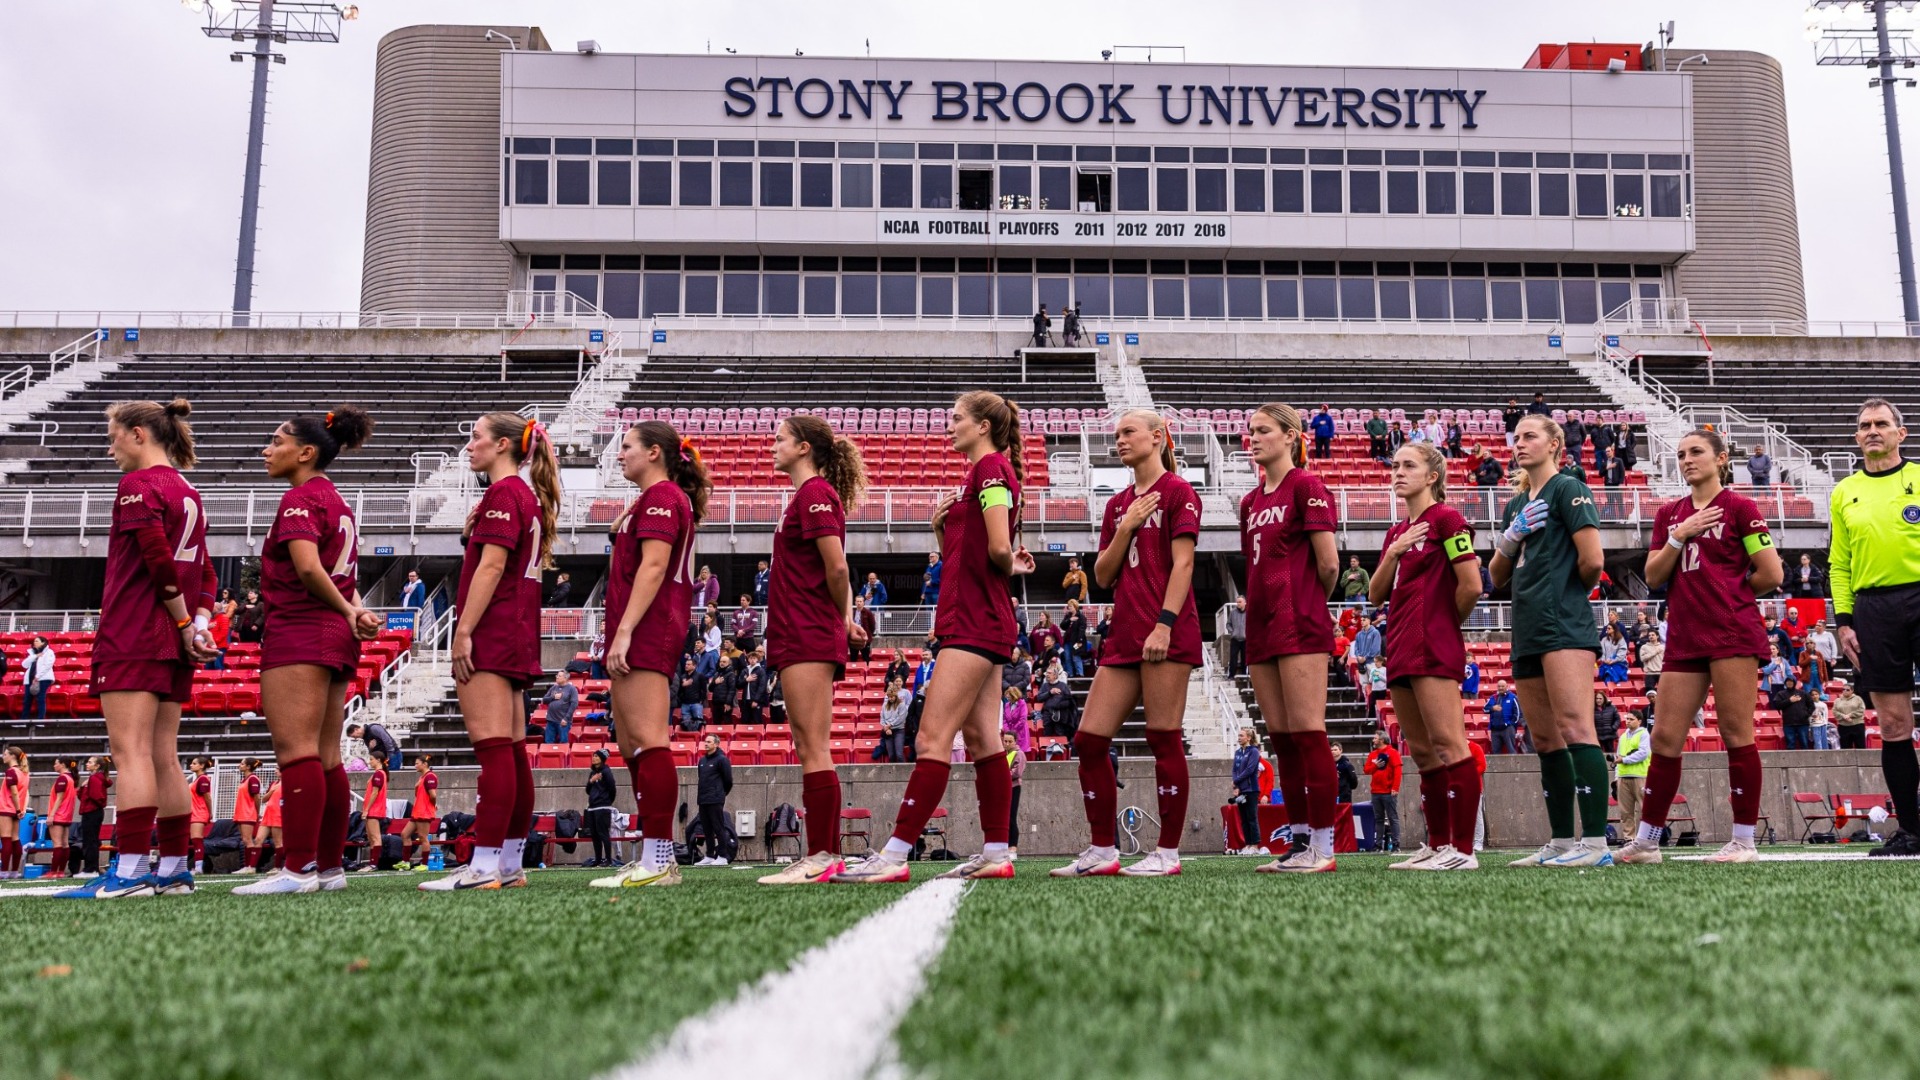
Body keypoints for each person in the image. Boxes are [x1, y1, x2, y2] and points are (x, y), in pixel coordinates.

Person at [835, 391, 1034, 883]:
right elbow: (977, 554)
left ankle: (896, 854)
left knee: (930, 738)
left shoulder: (989, 471)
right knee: (984, 738)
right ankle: (994, 853)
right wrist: (940, 531)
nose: (949, 426)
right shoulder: (984, 473)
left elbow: (997, 548)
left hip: (974, 622)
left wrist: (1011, 560)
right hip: (977, 619)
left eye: (956, 419)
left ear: (984, 426)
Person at [56, 399, 217, 901]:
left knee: (130, 755)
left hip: (135, 633)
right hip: (172, 639)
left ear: (140, 434)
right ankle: (172, 869)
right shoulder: (188, 490)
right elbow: (206, 574)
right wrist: (198, 624)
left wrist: (187, 622)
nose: (110, 450)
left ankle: (126, 872)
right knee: (163, 756)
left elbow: (158, 564)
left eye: (114, 438)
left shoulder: (138, 486)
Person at [1615, 428, 1783, 866]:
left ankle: (1743, 842)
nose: (1687, 460)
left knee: (1735, 733)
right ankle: (1648, 842)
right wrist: (1679, 535)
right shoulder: (1669, 513)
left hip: (1731, 632)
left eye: (1696, 453)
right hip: (1685, 636)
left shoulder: (1741, 508)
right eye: (1682, 454)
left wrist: (1730, 591)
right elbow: (1653, 577)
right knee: (1665, 737)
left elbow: (1771, 573)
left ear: (1721, 459)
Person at [234, 405, 380, 897]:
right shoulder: (335, 499)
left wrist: (343, 609)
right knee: (327, 755)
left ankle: (297, 869)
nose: (266, 449)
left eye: (276, 441)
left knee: (295, 753)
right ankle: (328, 868)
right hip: (333, 633)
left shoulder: (299, 499)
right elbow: (339, 574)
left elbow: (310, 570)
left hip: (301, 628)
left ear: (306, 452)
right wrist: (354, 611)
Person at [1050, 411, 1203, 879]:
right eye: (1115, 434)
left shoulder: (1178, 492)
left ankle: (1168, 854)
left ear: (1157, 438)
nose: (1118, 440)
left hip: (1164, 632)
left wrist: (1165, 625)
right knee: (1089, 740)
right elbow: (1100, 576)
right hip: (1124, 636)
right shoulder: (1118, 504)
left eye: (1128, 432)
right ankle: (1102, 850)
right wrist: (1125, 527)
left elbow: (1183, 565)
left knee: (1162, 737)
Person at [421, 412, 559, 893]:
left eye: (477, 437)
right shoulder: (524, 494)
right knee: (513, 752)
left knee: (495, 751)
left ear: (503, 445)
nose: (469, 446)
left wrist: (463, 632)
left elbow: (491, 567)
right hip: (516, 632)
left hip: (495, 632)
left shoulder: (504, 493)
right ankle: (508, 863)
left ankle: (483, 866)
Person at [1490, 414, 1612, 868]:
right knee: (1544, 738)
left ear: (1555, 443)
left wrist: (1561, 591)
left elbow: (1593, 561)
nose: (1519, 443)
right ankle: (1561, 841)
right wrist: (1511, 534)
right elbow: (1497, 576)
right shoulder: (1515, 503)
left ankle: (1596, 844)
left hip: (1563, 623)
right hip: (1527, 626)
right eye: (1516, 437)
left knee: (1576, 727)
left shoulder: (1568, 488)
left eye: (1530, 436)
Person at [591, 421, 708, 889]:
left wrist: (623, 632)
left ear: (655, 453)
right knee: (632, 744)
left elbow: (656, 565)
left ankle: (660, 858)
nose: (619, 454)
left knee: (649, 740)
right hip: (643, 626)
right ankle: (653, 855)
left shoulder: (662, 498)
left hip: (647, 628)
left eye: (627, 447)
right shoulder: (654, 499)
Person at [754, 414, 866, 883]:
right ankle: (823, 855)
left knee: (815, 748)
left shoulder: (816, 493)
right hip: (796, 631)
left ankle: (823, 855)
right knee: (808, 745)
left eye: (781, 439)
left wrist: (844, 617)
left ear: (804, 448)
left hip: (808, 632)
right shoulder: (804, 496)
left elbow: (837, 567)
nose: (772, 445)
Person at [1235, 402, 1342, 873]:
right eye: (1250, 431)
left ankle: (1324, 845)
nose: (1253, 438)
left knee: (1307, 731)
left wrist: (1307, 603)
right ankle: (1299, 842)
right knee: (1280, 739)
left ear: (1290, 436)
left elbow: (1329, 564)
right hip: (1260, 626)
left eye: (1263, 431)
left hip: (1299, 621)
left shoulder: (1307, 486)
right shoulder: (1250, 501)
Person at [1369, 442, 1484, 870]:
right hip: (1398, 645)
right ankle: (1437, 845)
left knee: (1450, 745)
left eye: (1408, 465)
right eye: (1395, 465)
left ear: (1432, 476)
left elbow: (1471, 585)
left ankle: (1464, 851)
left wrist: (1441, 622)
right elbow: (1376, 592)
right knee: (1421, 751)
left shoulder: (1448, 519)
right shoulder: (1396, 532)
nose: (1397, 472)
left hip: (1431, 643)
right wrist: (1394, 553)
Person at [692, 733, 734, 867]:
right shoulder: (702, 761)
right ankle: (709, 855)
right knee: (706, 828)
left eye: (709, 742)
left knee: (718, 827)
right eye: (705, 741)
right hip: (703, 799)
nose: (706, 743)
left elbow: (728, 781)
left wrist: (721, 794)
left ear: (716, 744)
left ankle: (722, 855)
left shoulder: (722, 760)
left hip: (715, 799)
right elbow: (701, 779)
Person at [1363, 732, 1402, 854]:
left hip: (1388, 792)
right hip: (1376, 791)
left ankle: (1396, 845)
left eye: (1375, 738)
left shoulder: (1393, 753)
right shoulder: (1373, 754)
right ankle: (1378, 845)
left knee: (1392, 818)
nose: (1373, 740)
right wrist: (1375, 766)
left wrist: (1395, 787)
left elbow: (1398, 770)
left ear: (1382, 739)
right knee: (1378, 819)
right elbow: (1366, 770)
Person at [398, 754, 437, 870]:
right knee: (405, 834)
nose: (415, 765)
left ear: (425, 764)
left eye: (417, 763)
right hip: (417, 811)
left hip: (424, 812)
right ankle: (405, 862)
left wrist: (433, 805)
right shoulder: (422, 777)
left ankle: (424, 864)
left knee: (423, 837)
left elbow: (433, 795)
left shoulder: (430, 777)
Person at [75, 755, 112, 877]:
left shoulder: (95, 778)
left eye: (90, 762)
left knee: (90, 842)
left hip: (92, 812)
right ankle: (92, 868)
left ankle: (90, 869)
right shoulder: (94, 778)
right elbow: (83, 796)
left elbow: (96, 797)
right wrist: (82, 788)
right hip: (92, 811)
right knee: (91, 841)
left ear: (97, 766)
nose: (87, 764)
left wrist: (87, 789)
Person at [1614, 711, 1650, 836]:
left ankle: (1646, 838)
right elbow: (1617, 757)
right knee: (1625, 812)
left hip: (1640, 776)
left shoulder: (1644, 734)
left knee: (1645, 809)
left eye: (1631, 719)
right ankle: (1629, 838)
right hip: (1623, 777)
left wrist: (1624, 760)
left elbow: (1643, 753)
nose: (1627, 721)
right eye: (1627, 719)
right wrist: (1616, 777)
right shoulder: (1623, 736)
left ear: (1639, 721)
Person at [43, 757, 78, 879]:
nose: (54, 766)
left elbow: (59, 798)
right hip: (67, 815)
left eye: (56, 763)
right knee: (64, 844)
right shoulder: (70, 778)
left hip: (59, 815)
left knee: (57, 844)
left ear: (62, 765)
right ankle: (61, 871)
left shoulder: (62, 778)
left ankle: (53, 872)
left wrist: (51, 815)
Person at [1231, 728, 1264, 854]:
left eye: (1241, 736)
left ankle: (1255, 845)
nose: (1239, 738)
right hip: (1241, 789)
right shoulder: (1238, 752)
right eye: (1238, 736)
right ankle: (1248, 844)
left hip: (1251, 789)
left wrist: (1236, 780)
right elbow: (1235, 769)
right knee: (1243, 818)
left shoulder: (1254, 751)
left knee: (1251, 817)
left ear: (1248, 738)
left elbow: (1250, 770)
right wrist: (1236, 786)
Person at [583, 749, 617, 868]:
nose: (594, 758)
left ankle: (608, 860)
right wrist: (591, 781)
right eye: (593, 756)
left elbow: (612, 789)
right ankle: (598, 859)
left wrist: (607, 802)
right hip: (592, 808)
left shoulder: (606, 772)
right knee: (595, 835)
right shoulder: (592, 773)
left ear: (602, 758)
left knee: (603, 834)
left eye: (596, 756)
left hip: (603, 807)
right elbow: (588, 791)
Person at [358, 751, 389, 872]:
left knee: (375, 837)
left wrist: (366, 810)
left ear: (378, 760)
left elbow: (374, 793)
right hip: (373, 809)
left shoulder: (379, 774)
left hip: (374, 810)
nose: (370, 762)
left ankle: (374, 864)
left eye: (371, 759)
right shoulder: (379, 773)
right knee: (371, 837)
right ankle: (372, 863)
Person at [185, 755, 213, 874]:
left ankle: (198, 868)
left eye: (194, 763)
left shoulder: (203, 779)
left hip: (199, 813)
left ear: (202, 766)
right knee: (192, 840)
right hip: (193, 813)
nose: (191, 765)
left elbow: (207, 797)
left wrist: (210, 812)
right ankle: (195, 866)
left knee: (197, 840)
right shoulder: (197, 779)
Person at [0, 746, 23, 879]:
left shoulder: (11, 771)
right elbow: (25, 792)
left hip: (7, 807)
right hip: (15, 808)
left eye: (5, 754)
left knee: (6, 839)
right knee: (15, 839)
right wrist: (21, 809)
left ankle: (3, 871)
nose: (3, 756)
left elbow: (14, 792)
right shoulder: (23, 772)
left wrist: (18, 808)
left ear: (13, 756)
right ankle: (14, 871)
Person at [541, 670, 579, 744]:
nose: (557, 677)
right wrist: (553, 697)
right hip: (551, 720)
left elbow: (574, 704)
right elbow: (544, 700)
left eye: (559, 676)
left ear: (565, 678)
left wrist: (566, 718)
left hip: (562, 721)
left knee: (563, 742)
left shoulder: (572, 689)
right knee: (548, 742)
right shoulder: (553, 687)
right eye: (557, 675)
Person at [1485, 679, 1522, 754]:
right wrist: (1492, 708)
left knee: (1511, 750)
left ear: (1507, 686)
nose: (1501, 688)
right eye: (1499, 686)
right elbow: (1485, 709)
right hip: (1495, 729)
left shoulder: (1513, 697)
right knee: (1495, 752)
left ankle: (1514, 766)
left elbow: (1518, 713)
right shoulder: (1493, 697)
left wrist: (1510, 724)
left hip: (1508, 729)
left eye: (1502, 686)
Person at [21, 635, 53, 720]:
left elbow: (48, 665)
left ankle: (40, 720)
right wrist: (35, 656)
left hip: (43, 679)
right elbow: (24, 665)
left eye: (37, 641)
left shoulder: (49, 652)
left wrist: (38, 676)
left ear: (43, 643)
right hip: (30, 679)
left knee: (40, 699)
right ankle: (23, 721)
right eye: (34, 641)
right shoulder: (32, 653)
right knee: (27, 700)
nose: (35, 643)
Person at [879, 680, 910, 763]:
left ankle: (904, 772)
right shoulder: (885, 705)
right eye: (889, 697)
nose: (890, 698)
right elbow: (882, 718)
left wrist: (890, 725)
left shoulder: (901, 705)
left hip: (899, 730)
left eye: (892, 696)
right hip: (887, 731)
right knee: (891, 755)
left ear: (896, 696)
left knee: (899, 754)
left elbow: (901, 718)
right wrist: (886, 728)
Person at [1832, 680, 1868, 749]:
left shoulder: (1858, 699)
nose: (1845, 691)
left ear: (1852, 691)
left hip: (1857, 725)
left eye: (1847, 690)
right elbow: (1834, 711)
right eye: (1843, 689)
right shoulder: (1837, 700)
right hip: (1843, 726)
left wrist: (1850, 715)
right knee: (1845, 747)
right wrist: (1843, 716)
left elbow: (1861, 710)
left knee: (1860, 746)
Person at [1001, 685, 1031, 754]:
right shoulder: (1007, 705)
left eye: (1009, 697)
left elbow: (1023, 719)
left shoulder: (1022, 704)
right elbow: (1005, 719)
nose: (1007, 699)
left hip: (1020, 731)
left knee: (1019, 752)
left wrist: (1014, 731)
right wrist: (1008, 731)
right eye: (1007, 697)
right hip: (1009, 732)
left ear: (1014, 696)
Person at [1223, 595, 1247, 676]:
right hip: (1235, 639)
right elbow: (1228, 624)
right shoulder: (1233, 612)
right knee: (1233, 658)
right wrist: (1232, 632)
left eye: (1240, 602)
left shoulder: (1248, 612)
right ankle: (1231, 675)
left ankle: (1244, 675)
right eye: (1237, 602)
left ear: (1244, 603)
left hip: (1245, 639)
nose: (1238, 604)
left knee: (1245, 658)